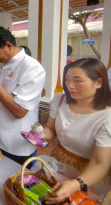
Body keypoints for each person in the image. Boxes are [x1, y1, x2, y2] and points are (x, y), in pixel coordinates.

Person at [43, 58, 111, 204]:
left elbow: (101, 163)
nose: (70, 86)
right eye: (67, 79)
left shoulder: (106, 118)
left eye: (77, 80)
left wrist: (76, 183)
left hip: (88, 175)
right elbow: (50, 130)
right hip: (59, 162)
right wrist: (40, 134)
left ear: (98, 83)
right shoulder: (61, 100)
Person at [0, 27, 46, 165]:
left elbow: (19, 111)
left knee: (10, 181)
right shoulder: (1, 63)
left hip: (13, 141)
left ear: (8, 45)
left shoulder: (32, 68)